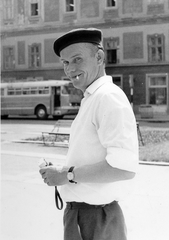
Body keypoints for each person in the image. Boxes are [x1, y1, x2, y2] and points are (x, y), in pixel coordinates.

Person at [39, 28, 139, 240]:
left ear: (100, 57)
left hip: (96, 219)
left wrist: (66, 175)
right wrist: (60, 172)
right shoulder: (93, 97)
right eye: (65, 63)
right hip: (83, 216)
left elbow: (124, 168)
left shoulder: (108, 98)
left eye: (77, 59)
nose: (70, 68)